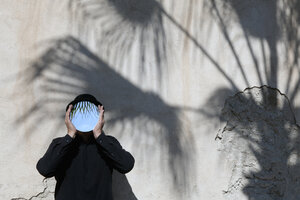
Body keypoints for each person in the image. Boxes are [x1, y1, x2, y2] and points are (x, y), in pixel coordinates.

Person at [36, 94, 135, 200]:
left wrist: (99, 135)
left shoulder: (108, 143)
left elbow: (126, 165)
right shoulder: (61, 144)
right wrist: (69, 135)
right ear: (69, 117)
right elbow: (44, 169)